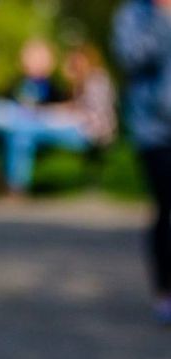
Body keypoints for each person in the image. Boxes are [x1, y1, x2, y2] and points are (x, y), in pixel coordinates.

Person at [0, 41, 116, 210]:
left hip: (88, 132)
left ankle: (10, 185)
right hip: (30, 124)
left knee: (20, 129)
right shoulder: (21, 82)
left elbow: (86, 115)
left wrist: (53, 112)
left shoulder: (92, 80)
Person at [113, 0, 171, 325]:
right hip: (155, 132)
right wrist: (163, 18)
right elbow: (131, 56)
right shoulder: (133, 15)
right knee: (166, 206)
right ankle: (164, 291)